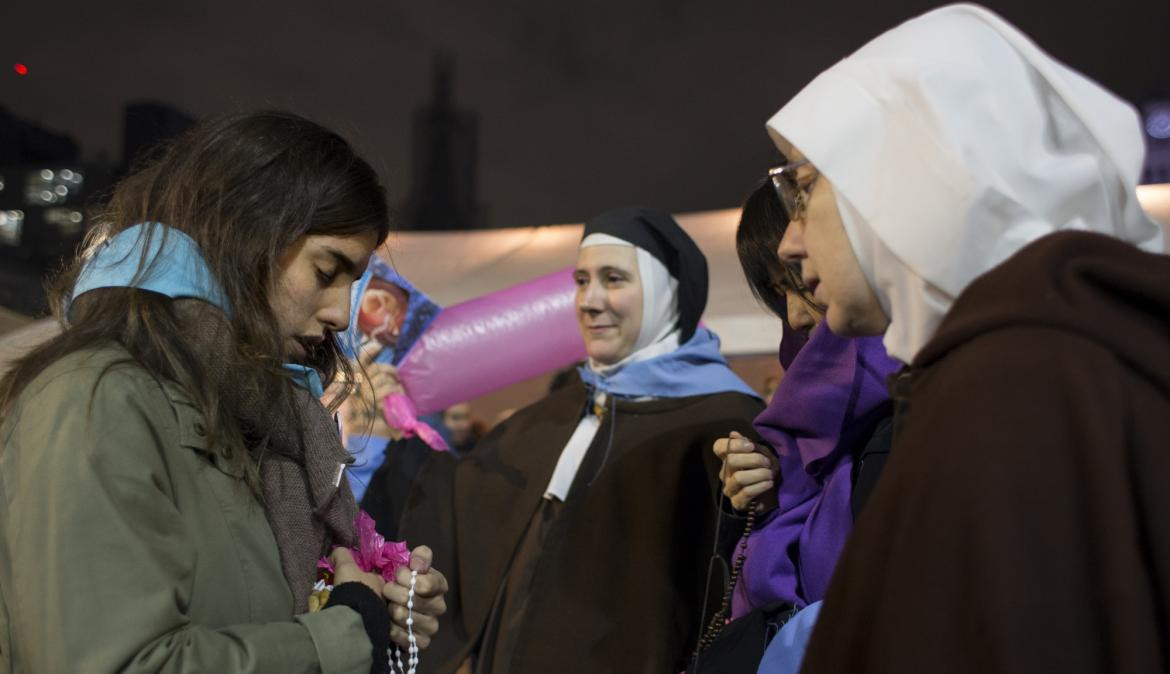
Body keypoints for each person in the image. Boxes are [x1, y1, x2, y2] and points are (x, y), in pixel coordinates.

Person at [765, 5, 1168, 672]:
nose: (790, 241)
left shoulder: (1013, 389)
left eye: (805, 188)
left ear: (912, 173)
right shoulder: (1056, 359)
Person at [0, 111, 448, 674]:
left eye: (352, 285)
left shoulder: (256, 418)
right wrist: (344, 632)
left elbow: (258, 608)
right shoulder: (93, 401)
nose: (340, 314)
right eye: (326, 271)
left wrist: (380, 603)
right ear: (247, 237)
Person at [398, 207, 765, 673]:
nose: (589, 301)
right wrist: (393, 433)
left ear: (666, 293)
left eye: (614, 279)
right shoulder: (564, 407)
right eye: (580, 280)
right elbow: (456, 493)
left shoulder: (724, 419)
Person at [697, 181, 900, 674]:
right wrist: (759, 499)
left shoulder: (927, 402)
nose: (792, 314)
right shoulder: (795, 427)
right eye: (777, 291)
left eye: (799, 278)